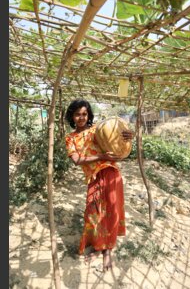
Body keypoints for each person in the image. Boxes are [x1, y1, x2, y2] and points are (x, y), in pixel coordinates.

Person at [64, 99, 133, 272]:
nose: (81, 117)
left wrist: (127, 135)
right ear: (72, 116)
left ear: (89, 115)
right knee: (92, 213)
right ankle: (97, 245)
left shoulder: (97, 130)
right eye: (78, 114)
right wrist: (102, 156)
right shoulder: (71, 138)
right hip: (93, 177)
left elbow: (117, 140)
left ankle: (107, 251)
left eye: (84, 114)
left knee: (110, 211)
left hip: (110, 173)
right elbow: (77, 160)